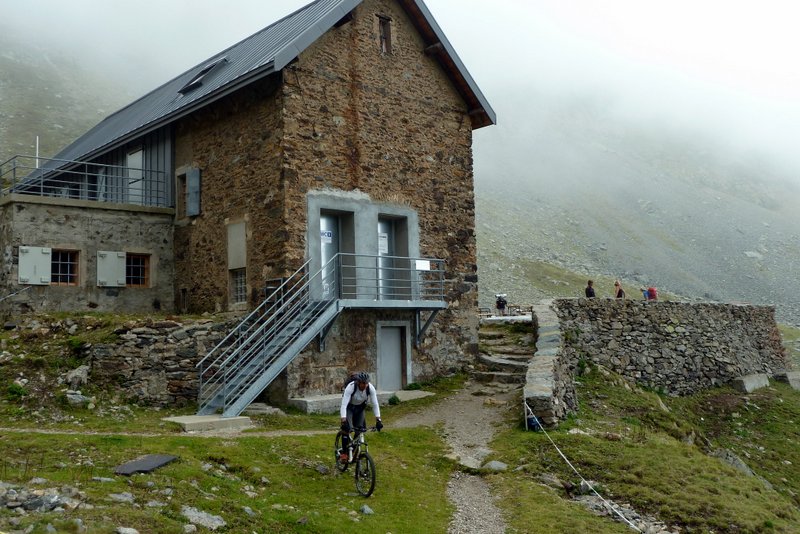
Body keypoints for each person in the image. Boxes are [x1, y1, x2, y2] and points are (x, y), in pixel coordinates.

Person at [339, 372, 383, 462]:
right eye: (363, 383)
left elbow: (375, 404)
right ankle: (344, 453)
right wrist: (344, 420)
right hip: (349, 408)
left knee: (360, 430)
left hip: (360, 409)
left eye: (366, 383)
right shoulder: (351, 387)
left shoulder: (370, 388)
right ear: (358, 382)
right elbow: (343, 405)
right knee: (347, 429)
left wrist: (378, 420)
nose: (365, 385)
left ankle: (353, 450)